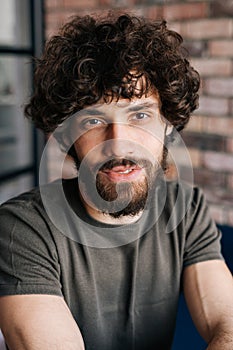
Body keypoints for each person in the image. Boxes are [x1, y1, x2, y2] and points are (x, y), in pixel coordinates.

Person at [0, 12, 232, 350]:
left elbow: (227, 324)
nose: (119, 142)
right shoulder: (22, 229)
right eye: (93, 119)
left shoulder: (187, 208)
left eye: (139, 115)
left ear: (167, 124)